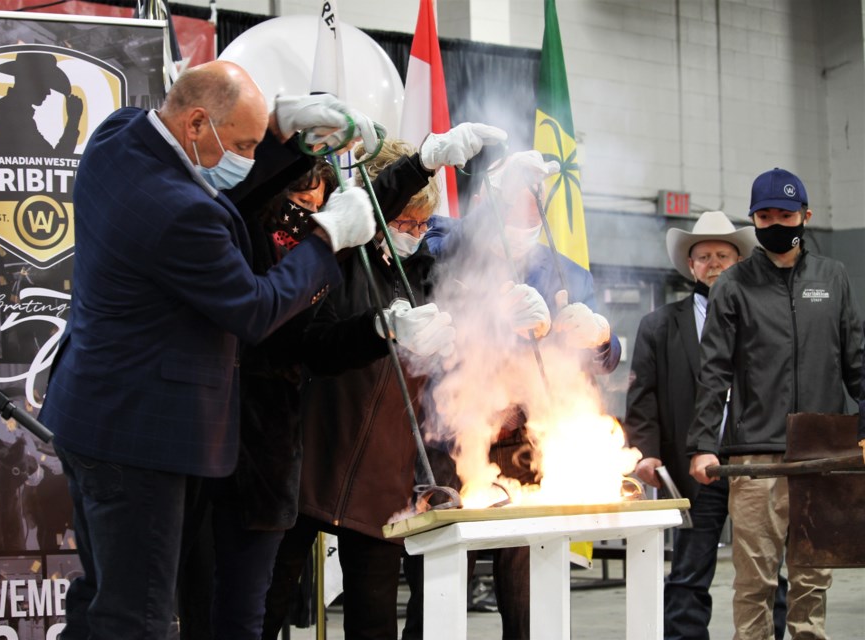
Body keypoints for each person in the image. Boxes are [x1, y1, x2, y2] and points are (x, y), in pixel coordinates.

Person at [38, 60, 381, 640]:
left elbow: (228, 184)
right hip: (140, 438)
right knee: (139, 617)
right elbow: (257, 308)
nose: (248, 155)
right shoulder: (180, 213)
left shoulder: (117, 137)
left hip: (90, 415)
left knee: (102, 597)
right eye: (244, 143)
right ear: (197, 122)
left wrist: (281, 136)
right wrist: (327, 240)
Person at [259, 130, 509, 640]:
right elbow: (315, 344)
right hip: (310, 455)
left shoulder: (422, 272)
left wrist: (502, 310)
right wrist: (381, 329)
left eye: (422, 223)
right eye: (403, 220)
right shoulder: (338, 258)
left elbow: (472, 296)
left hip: (383, 473)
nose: (414, 232)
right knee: (265, 604)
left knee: (374, 621)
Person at [404, 150, 622, 640]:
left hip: (526, 443)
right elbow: (427, 242)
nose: (519, 219)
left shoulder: (565, 271)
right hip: (451, 438)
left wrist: (601, 335)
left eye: (529, 207)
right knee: (439, 583)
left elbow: (602, 359)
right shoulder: (452, 247)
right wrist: (489, 210)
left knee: (528, 590)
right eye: (508, 207)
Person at [687, 168, 863, 640]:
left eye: (785, 214)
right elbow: (715, 373)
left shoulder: (833, 278)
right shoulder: (734, 285)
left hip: (821, 455)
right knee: (754, 583)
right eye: (764, 216)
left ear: (805, 216)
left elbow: (856, 362)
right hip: (754, 459)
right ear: (754, 222)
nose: (775, 223)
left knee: (812, 583)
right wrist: (705, 445)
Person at [624, 210, 790, 640]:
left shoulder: (768, 320)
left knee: (766, 570)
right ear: (690, 265)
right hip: (694, 466)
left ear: (739, 261)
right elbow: (642, 398)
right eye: (704, 256)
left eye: (723, 255)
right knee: (688, 572)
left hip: (756, 462)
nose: (714, 263)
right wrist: (646, 453)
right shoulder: (659, 325)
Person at [0, 51, 85, 155]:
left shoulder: (11, 108)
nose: (48, 92)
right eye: (45, 85)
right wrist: (73, 119)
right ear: (29, 82)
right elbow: (55, 159)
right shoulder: (9, 110)